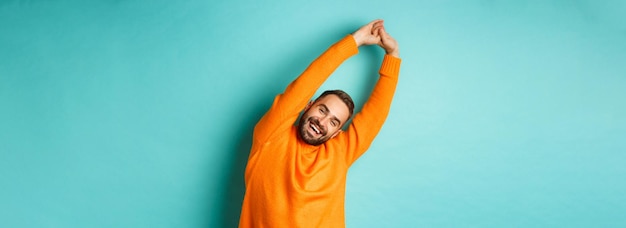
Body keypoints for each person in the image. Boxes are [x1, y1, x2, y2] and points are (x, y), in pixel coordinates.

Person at [239, 19, 401, 227]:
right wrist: (356, 40)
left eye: (334, 122)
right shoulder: (271, 135)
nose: (322, 122)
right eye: (322, 110)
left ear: (336, 133)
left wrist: (393, 55)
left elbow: (375, 114)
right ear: (308, 105)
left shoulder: (340, 152)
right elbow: (306, 82)